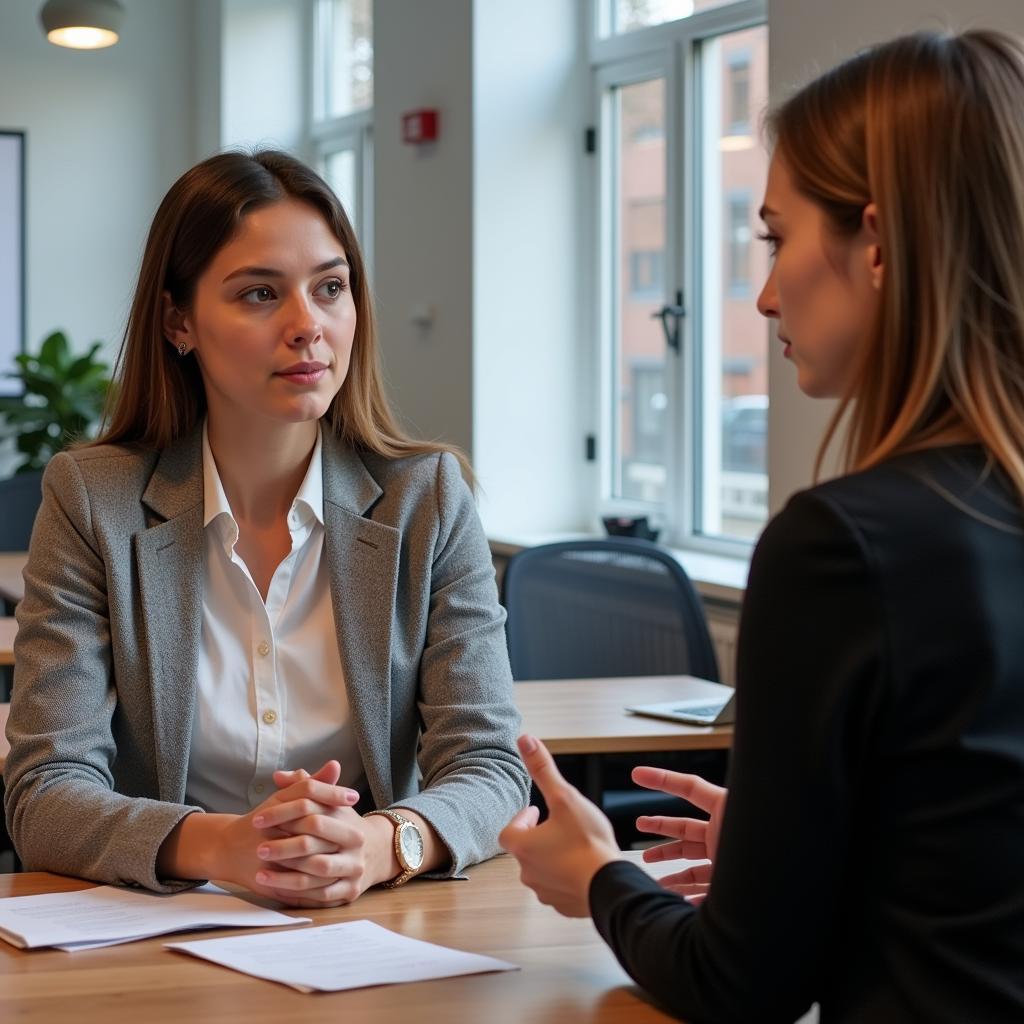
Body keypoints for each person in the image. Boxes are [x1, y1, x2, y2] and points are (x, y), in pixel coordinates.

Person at [500, 28, 1024, 1022]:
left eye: (779, 239)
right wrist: (827, 846)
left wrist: (602, 880)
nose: (767, 292)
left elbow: (743, 985)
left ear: (875, 241)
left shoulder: (841, 547)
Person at [4, 150, 528, 907]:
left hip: (372, 922)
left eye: (330, 288)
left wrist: (384, 843)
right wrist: (225, 845)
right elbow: (44, 792)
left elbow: (490, 767)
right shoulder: (95, 500)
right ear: (178, 321)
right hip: (166, 931)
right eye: (259, 293)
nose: (307, 326)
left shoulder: (427, 498)